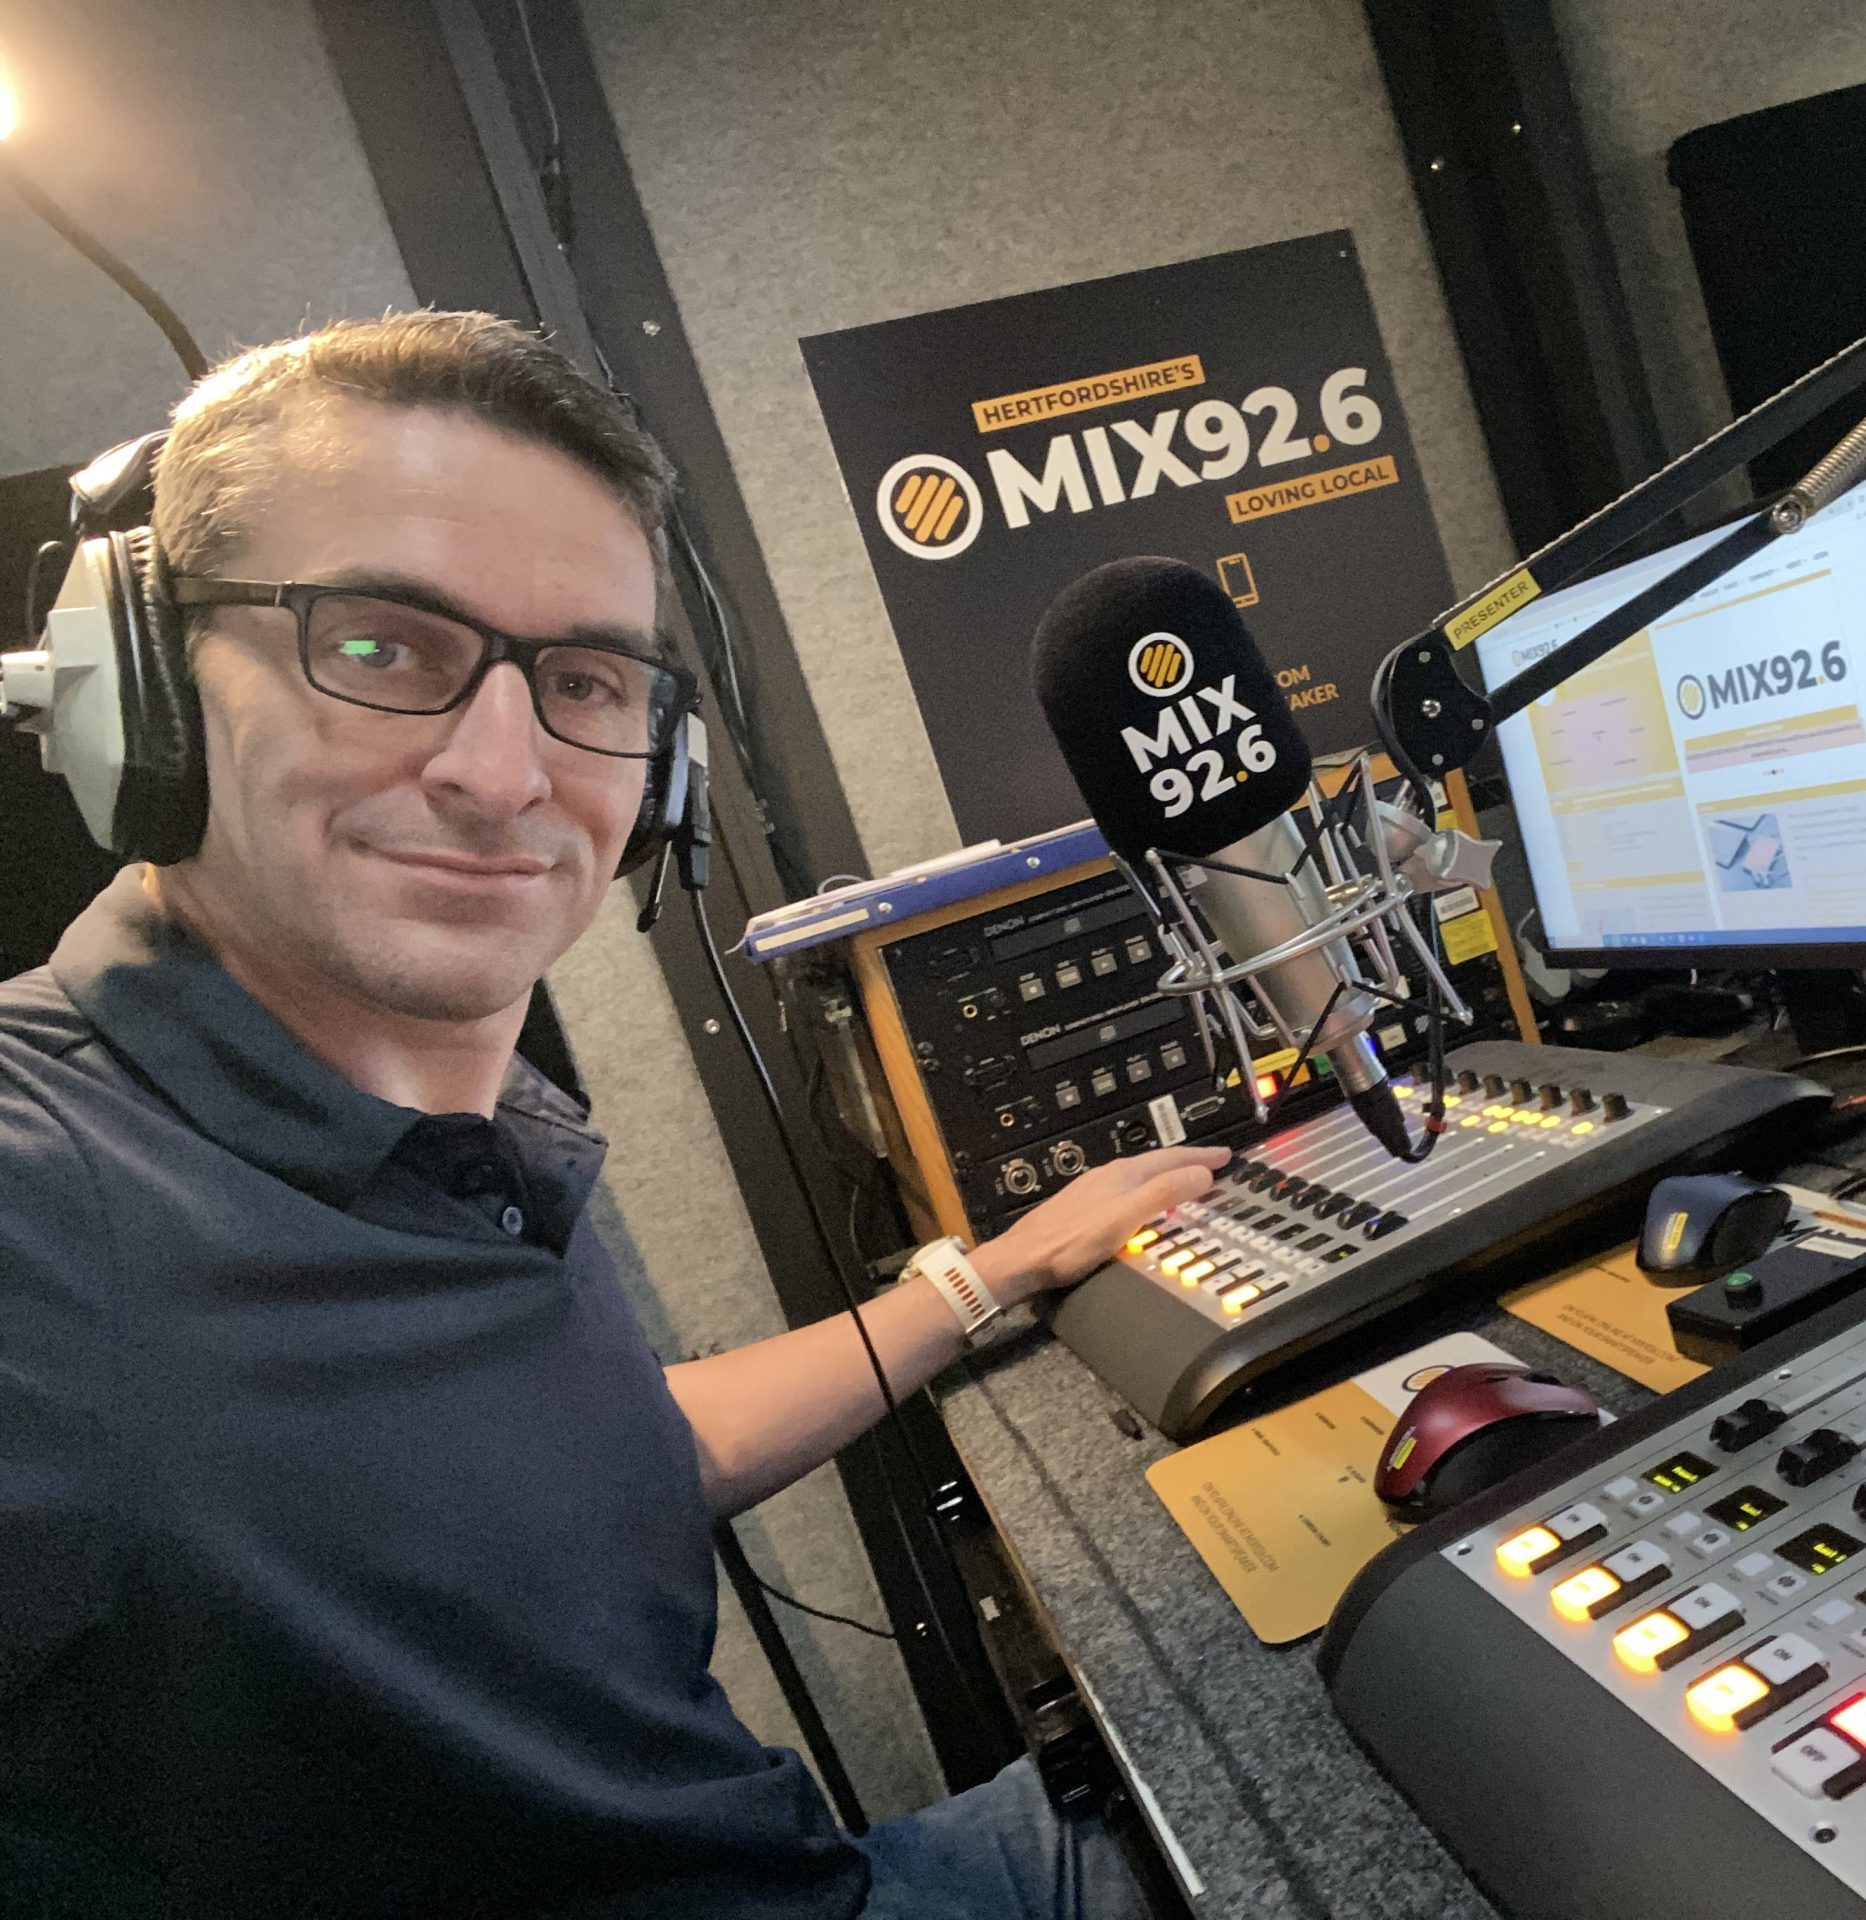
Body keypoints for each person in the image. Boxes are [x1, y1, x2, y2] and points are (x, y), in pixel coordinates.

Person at [0, 312, 1222, 1918]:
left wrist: (986, 1275)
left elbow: (604, 1460)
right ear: (137, 683)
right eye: (379, 645)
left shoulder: (456, 1117)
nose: (506, 774)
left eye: (584, 679)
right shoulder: (40, 1193)